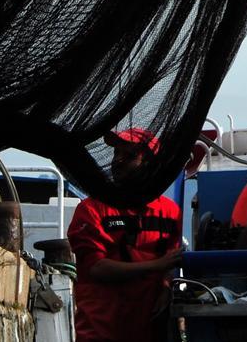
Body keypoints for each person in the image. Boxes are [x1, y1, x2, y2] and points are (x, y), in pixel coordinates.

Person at [68, 128, 183, 340]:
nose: (117, 161)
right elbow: (96, 268)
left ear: (150, 164)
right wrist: (157, 265)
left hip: (149, 330)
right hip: (101, 331)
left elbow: (172, 262)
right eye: (116, 153)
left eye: (129, 156)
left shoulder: (171, 212)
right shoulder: (91, 209)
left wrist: (167, 287)